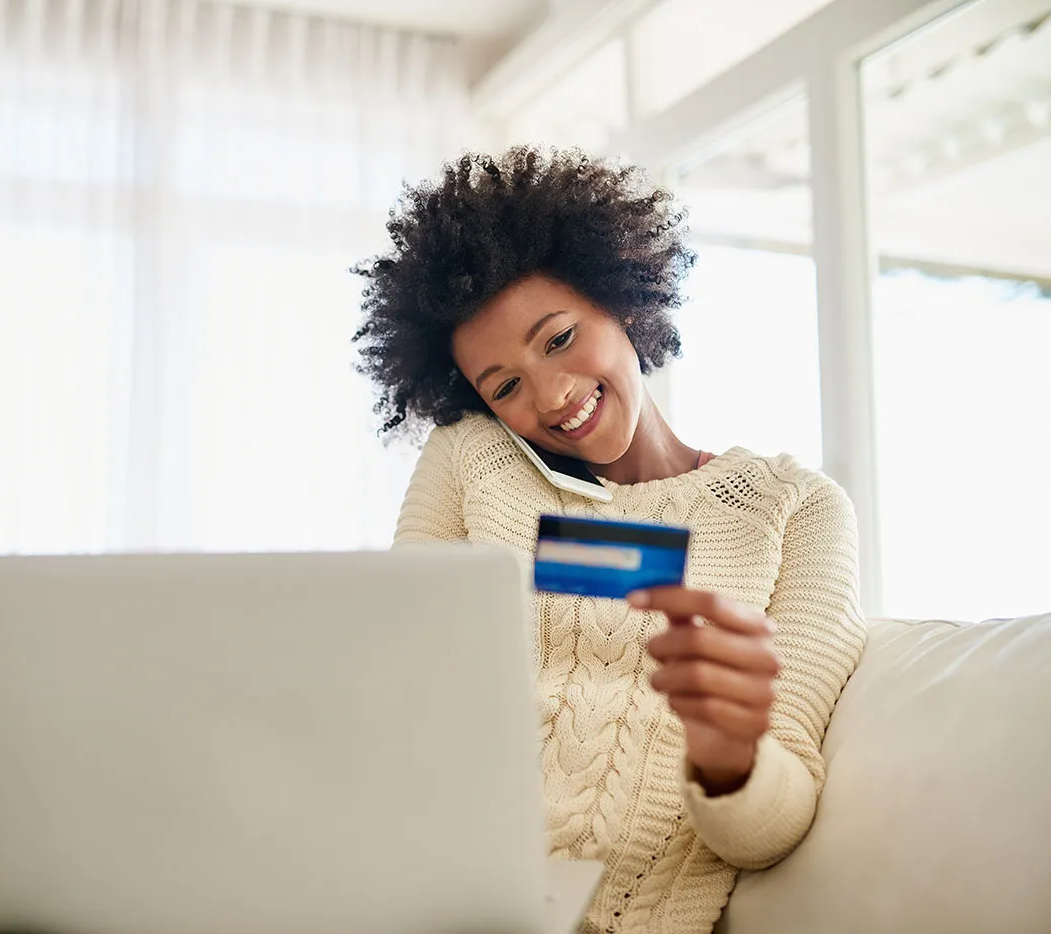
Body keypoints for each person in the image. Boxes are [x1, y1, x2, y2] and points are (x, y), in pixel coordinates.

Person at [352, 147, 867, 934]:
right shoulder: (472, 460)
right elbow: (389, 694)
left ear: (620, 299)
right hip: (414, 890)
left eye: (559, 339)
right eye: (505, 386)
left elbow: (772, 829)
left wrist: (727, 753)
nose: (552, 396)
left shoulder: (794, 511)